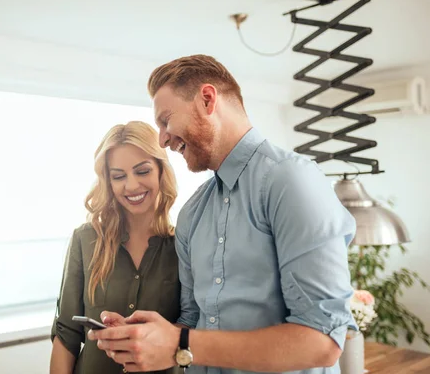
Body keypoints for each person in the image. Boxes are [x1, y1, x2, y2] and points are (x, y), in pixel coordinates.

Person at [89, 55, 358, 374]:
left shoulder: (290, 181)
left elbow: (322, 341)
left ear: (206, 99)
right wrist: (144, 340)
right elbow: (192, 323)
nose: (161, 138)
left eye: (165, 120)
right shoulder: (192, 213)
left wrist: (178, 342)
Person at [50, 121, 182, 374]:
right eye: (119, 176)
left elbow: (192, 332)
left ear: (160, 171)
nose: (131, 186)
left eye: (142, 171)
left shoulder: (183, 246)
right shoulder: (85, 240)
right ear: (108, 182)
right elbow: (67, 332)